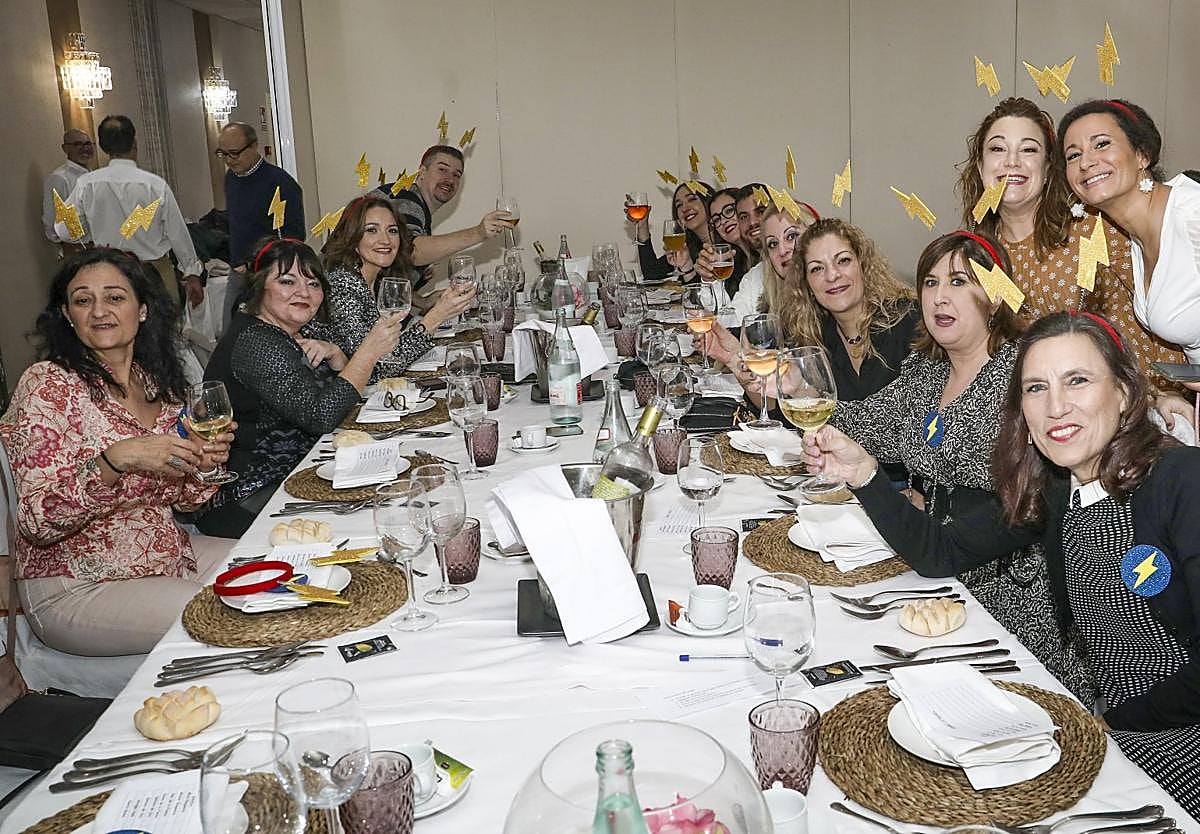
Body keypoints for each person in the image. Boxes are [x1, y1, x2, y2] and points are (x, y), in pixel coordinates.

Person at [804, 311, 1200, 814]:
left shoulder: (1181, 481)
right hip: (1115, 728)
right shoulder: (1056, 488)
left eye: (1077, 380)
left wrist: (1108, 725)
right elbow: (940, 552)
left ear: (1124, 393)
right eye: (1036, 388)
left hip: (1178, 741)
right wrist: (865, 475)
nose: (1056, 406)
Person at [825, 231, 1095, 702]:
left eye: (958, 281)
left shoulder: (1025, 378)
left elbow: (1027, 498)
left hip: (1006, 594)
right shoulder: (926, 370)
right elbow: (868, 423)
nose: (939, 297)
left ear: (995, 296)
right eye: (930, 283)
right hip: (926, 563)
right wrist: (794, 395)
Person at [1, 249, 233, 656]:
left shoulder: (157, 383)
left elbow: (184, 500)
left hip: (166, 555)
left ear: (142, 310)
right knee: (224, 614)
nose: (99, 311)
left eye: (114, 297)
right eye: (83, 300)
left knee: (273, 571)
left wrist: (203, 463)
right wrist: (115, 460)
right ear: (67, 315)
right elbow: (38, 520)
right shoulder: (47, 386)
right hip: (75, 583)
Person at [958, 97, 1189, 388]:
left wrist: (1164, 391)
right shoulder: (978, 256)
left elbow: (1164, 307)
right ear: (980, 166)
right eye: (997, 149)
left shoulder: (1095, 224)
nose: (1012, 162)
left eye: (1028, 149)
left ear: (1047, 168)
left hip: (1140, 394)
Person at [196, 238, 402, 538]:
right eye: (287, 281)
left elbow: (341, 403)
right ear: (259, 287)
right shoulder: (256, 342)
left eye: (313, 283)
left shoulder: (284, 333)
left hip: (296, 475)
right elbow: (320, 416)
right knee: (381, 516)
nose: (303, 292)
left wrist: (338, 357)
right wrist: (368, 353)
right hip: (250, 496)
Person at [1059, 99, 1200, 369]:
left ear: (1142, 155)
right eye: (1073, 155)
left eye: (1102, 144)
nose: (1086, 162)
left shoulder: (1192, 215)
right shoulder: (1137, 237)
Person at [319, 197, 474, 382]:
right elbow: (375, 370)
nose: (385, 240)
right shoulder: (343, 285)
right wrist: (436, 316)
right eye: (372, 230)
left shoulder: (377, 280)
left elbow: (387, 353)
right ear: (352, 237)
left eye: (392, 231)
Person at [58, 115, 202, 309]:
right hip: (154, 273)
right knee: (161, 324)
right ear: (134, 142)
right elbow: (177, 233)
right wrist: (192, 273)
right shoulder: (154, 185)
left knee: (115, 324)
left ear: (102, 146)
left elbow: (64, 229)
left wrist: (90, 233)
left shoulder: (87, 184)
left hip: (110, 274)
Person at [376, 144, 513, 292]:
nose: (450, 179)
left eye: (457, 175)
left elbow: (390, 272)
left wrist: (421, 301)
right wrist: (479, 233)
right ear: (422, 171)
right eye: (442, 170)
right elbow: (412, 251)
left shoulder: (419, 211)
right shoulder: (405, 197)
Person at [217, 122, 306, 330]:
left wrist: (257, 264)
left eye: (235, 153)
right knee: (229, 332)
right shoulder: (231, 179)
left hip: (267, 273)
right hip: (238, 272)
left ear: (254, 146)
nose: (229, 160)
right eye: (223, 154)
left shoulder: (280, 183)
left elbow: (293, 238)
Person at [629, 182, 714, 283]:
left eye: (692, 199)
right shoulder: (689, 245)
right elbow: (652, 274)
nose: (684, 208)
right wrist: (642, 227)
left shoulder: (727, 243)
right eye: (679, 205)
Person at [42, 128, 94, 254]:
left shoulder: (92, 175)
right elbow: (51, 221)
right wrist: (69, 246)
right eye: (78, 144)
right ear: (65, 148)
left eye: (88, 144)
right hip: (77, 250)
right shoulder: (59, 178)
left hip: (97, 247)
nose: (85, 148)